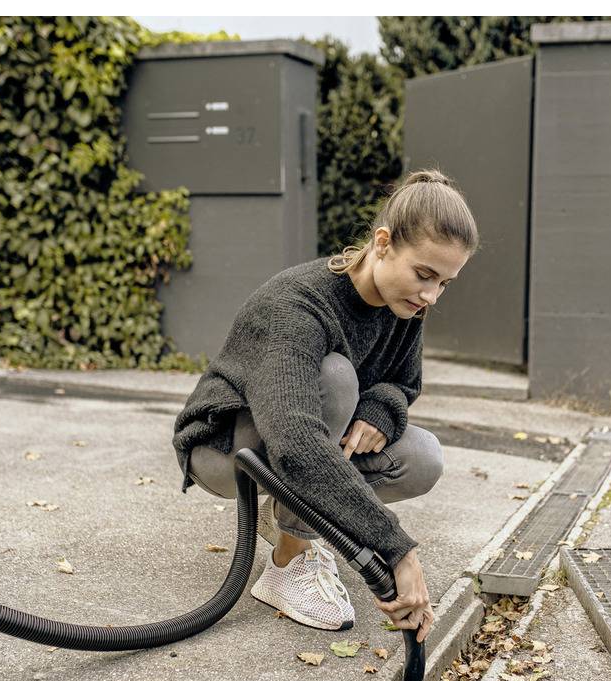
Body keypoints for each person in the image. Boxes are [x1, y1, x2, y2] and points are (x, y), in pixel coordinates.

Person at [172, 169, 479, 644]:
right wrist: (397, 550)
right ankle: (288, 562)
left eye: (445, 283)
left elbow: (403, 383)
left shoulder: (406, 306)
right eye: (424, 275)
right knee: (334, 377)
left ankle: (290, 517)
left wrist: (381, 408)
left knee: (423, 458)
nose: (430, 296)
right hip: (225, 449)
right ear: (382, 244)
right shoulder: (298, 304)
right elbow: (294, 442)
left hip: (291, 445)